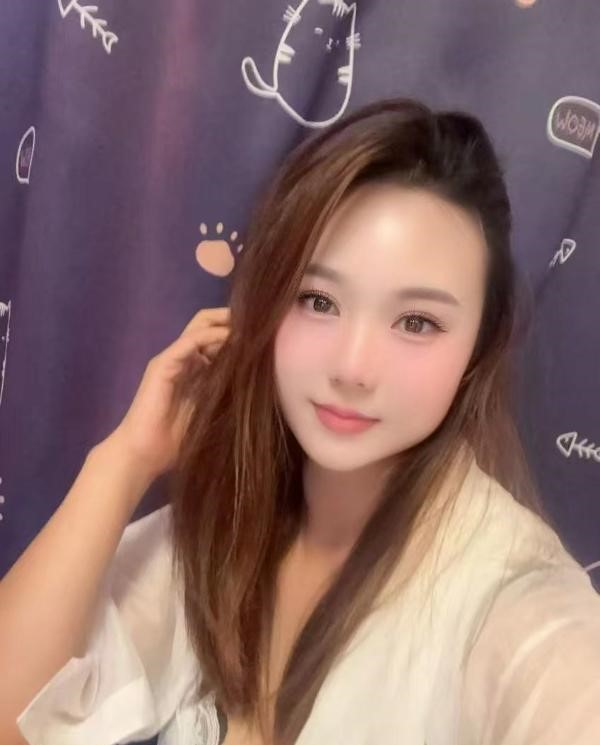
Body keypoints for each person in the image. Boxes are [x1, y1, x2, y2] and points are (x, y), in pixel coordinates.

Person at [1, 99, 599, 745]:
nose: (352, 367)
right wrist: (125, 459)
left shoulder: (513, 596)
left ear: (478, 347)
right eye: (317, 300)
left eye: (416, 322)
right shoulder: (228, 527)